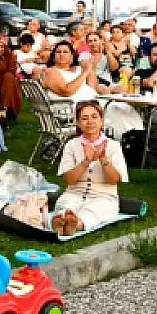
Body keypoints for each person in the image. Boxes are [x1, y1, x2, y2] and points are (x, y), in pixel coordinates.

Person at [51, 101, 126, 235]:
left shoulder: (113, 146)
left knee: (95, 210)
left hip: (104, 196)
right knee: (66, 205)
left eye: (94, 117)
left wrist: (103, 159)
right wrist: (86, 161)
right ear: (78, 123)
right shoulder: (71, 145)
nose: (90, 122)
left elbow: (114, 180)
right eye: (84, 118)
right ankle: (62, 220)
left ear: (102, 121)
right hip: (74, 192)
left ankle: (76, 224)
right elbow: (70, 180)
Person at [41, 40, 102, 104]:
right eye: (58, 52)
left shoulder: (79, 68)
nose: (61, 54)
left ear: (71, 56)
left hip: (92, 102)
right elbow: (67, 91)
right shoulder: (51, 72)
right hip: (70, 107)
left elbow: (93, 88)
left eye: (65, 52)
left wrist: (90, 69)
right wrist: (85, 72)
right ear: (53, 56)